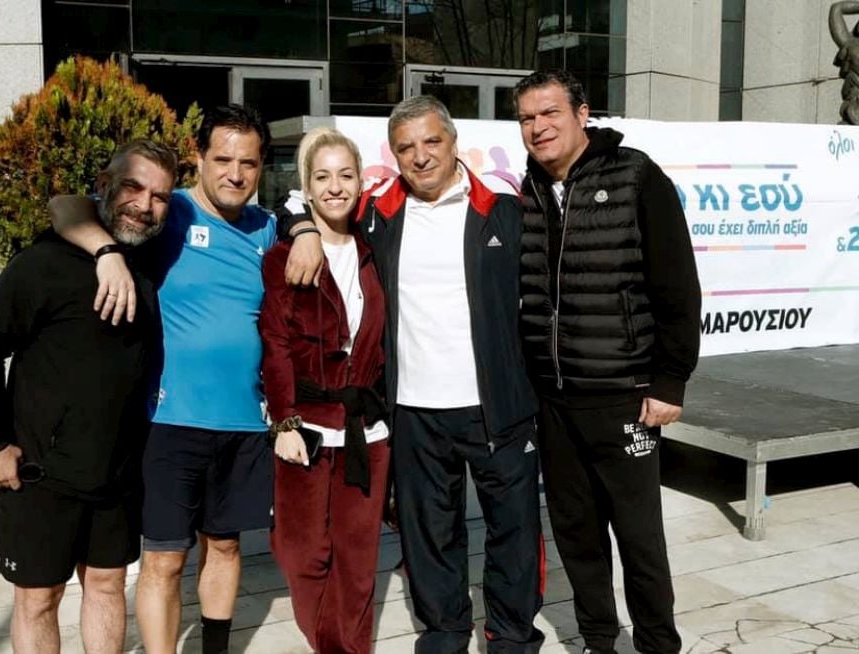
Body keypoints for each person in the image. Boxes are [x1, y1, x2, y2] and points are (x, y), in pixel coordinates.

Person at [284, 96, 545, 654]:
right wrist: (303, 229)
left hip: (498, 406)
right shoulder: (377, 212)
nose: (420, 156)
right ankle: (445, 631)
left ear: (453, 142)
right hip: (415, 409)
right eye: (406, 147)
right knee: (430, 534)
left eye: (431, 142)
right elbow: (307, 200)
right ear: (394, 154)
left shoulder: (505, 209)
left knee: (515, 532)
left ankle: (513, 636)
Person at [49, 105, 292, 654]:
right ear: (199, 159)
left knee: (225, 548)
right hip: (169, 422)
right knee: (164, 558)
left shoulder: (267, 226)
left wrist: (302, 232)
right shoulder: (167, 210)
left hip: (243, 423)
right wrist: (107, 254)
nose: (235, 174)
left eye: (248, 163)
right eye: (222, 159)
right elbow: (65, 206)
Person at [514, 70, 701, 654]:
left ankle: (657, 644)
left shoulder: (635, 175)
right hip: (554, 398)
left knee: (639, 537)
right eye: (526, 118)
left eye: (550, 113)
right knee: (577, 535)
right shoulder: (528, 190)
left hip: (624, 396)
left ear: (581, 114)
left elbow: (678, 285)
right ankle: (598, 641)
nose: (538, 127)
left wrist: (669, 381)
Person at [0, 138, 176, 653]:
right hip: (42, 470)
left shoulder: (147, 262)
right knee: (39, 598)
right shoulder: (43, 262)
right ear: (104, 184)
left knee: (107, 585)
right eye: (132, 187)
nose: (144, 205)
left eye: (159, 196)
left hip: (117, 470)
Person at [259, 128, 390, 653]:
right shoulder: (285, 256)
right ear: (307, 189)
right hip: (307, 427)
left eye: (345, 175)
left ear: (361, 182)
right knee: (302, 553)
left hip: (367, 431)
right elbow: (275, 343)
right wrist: (284, 421)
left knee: (357, 561)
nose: (335, 187)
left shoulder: (376, 251)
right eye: (322, 176)